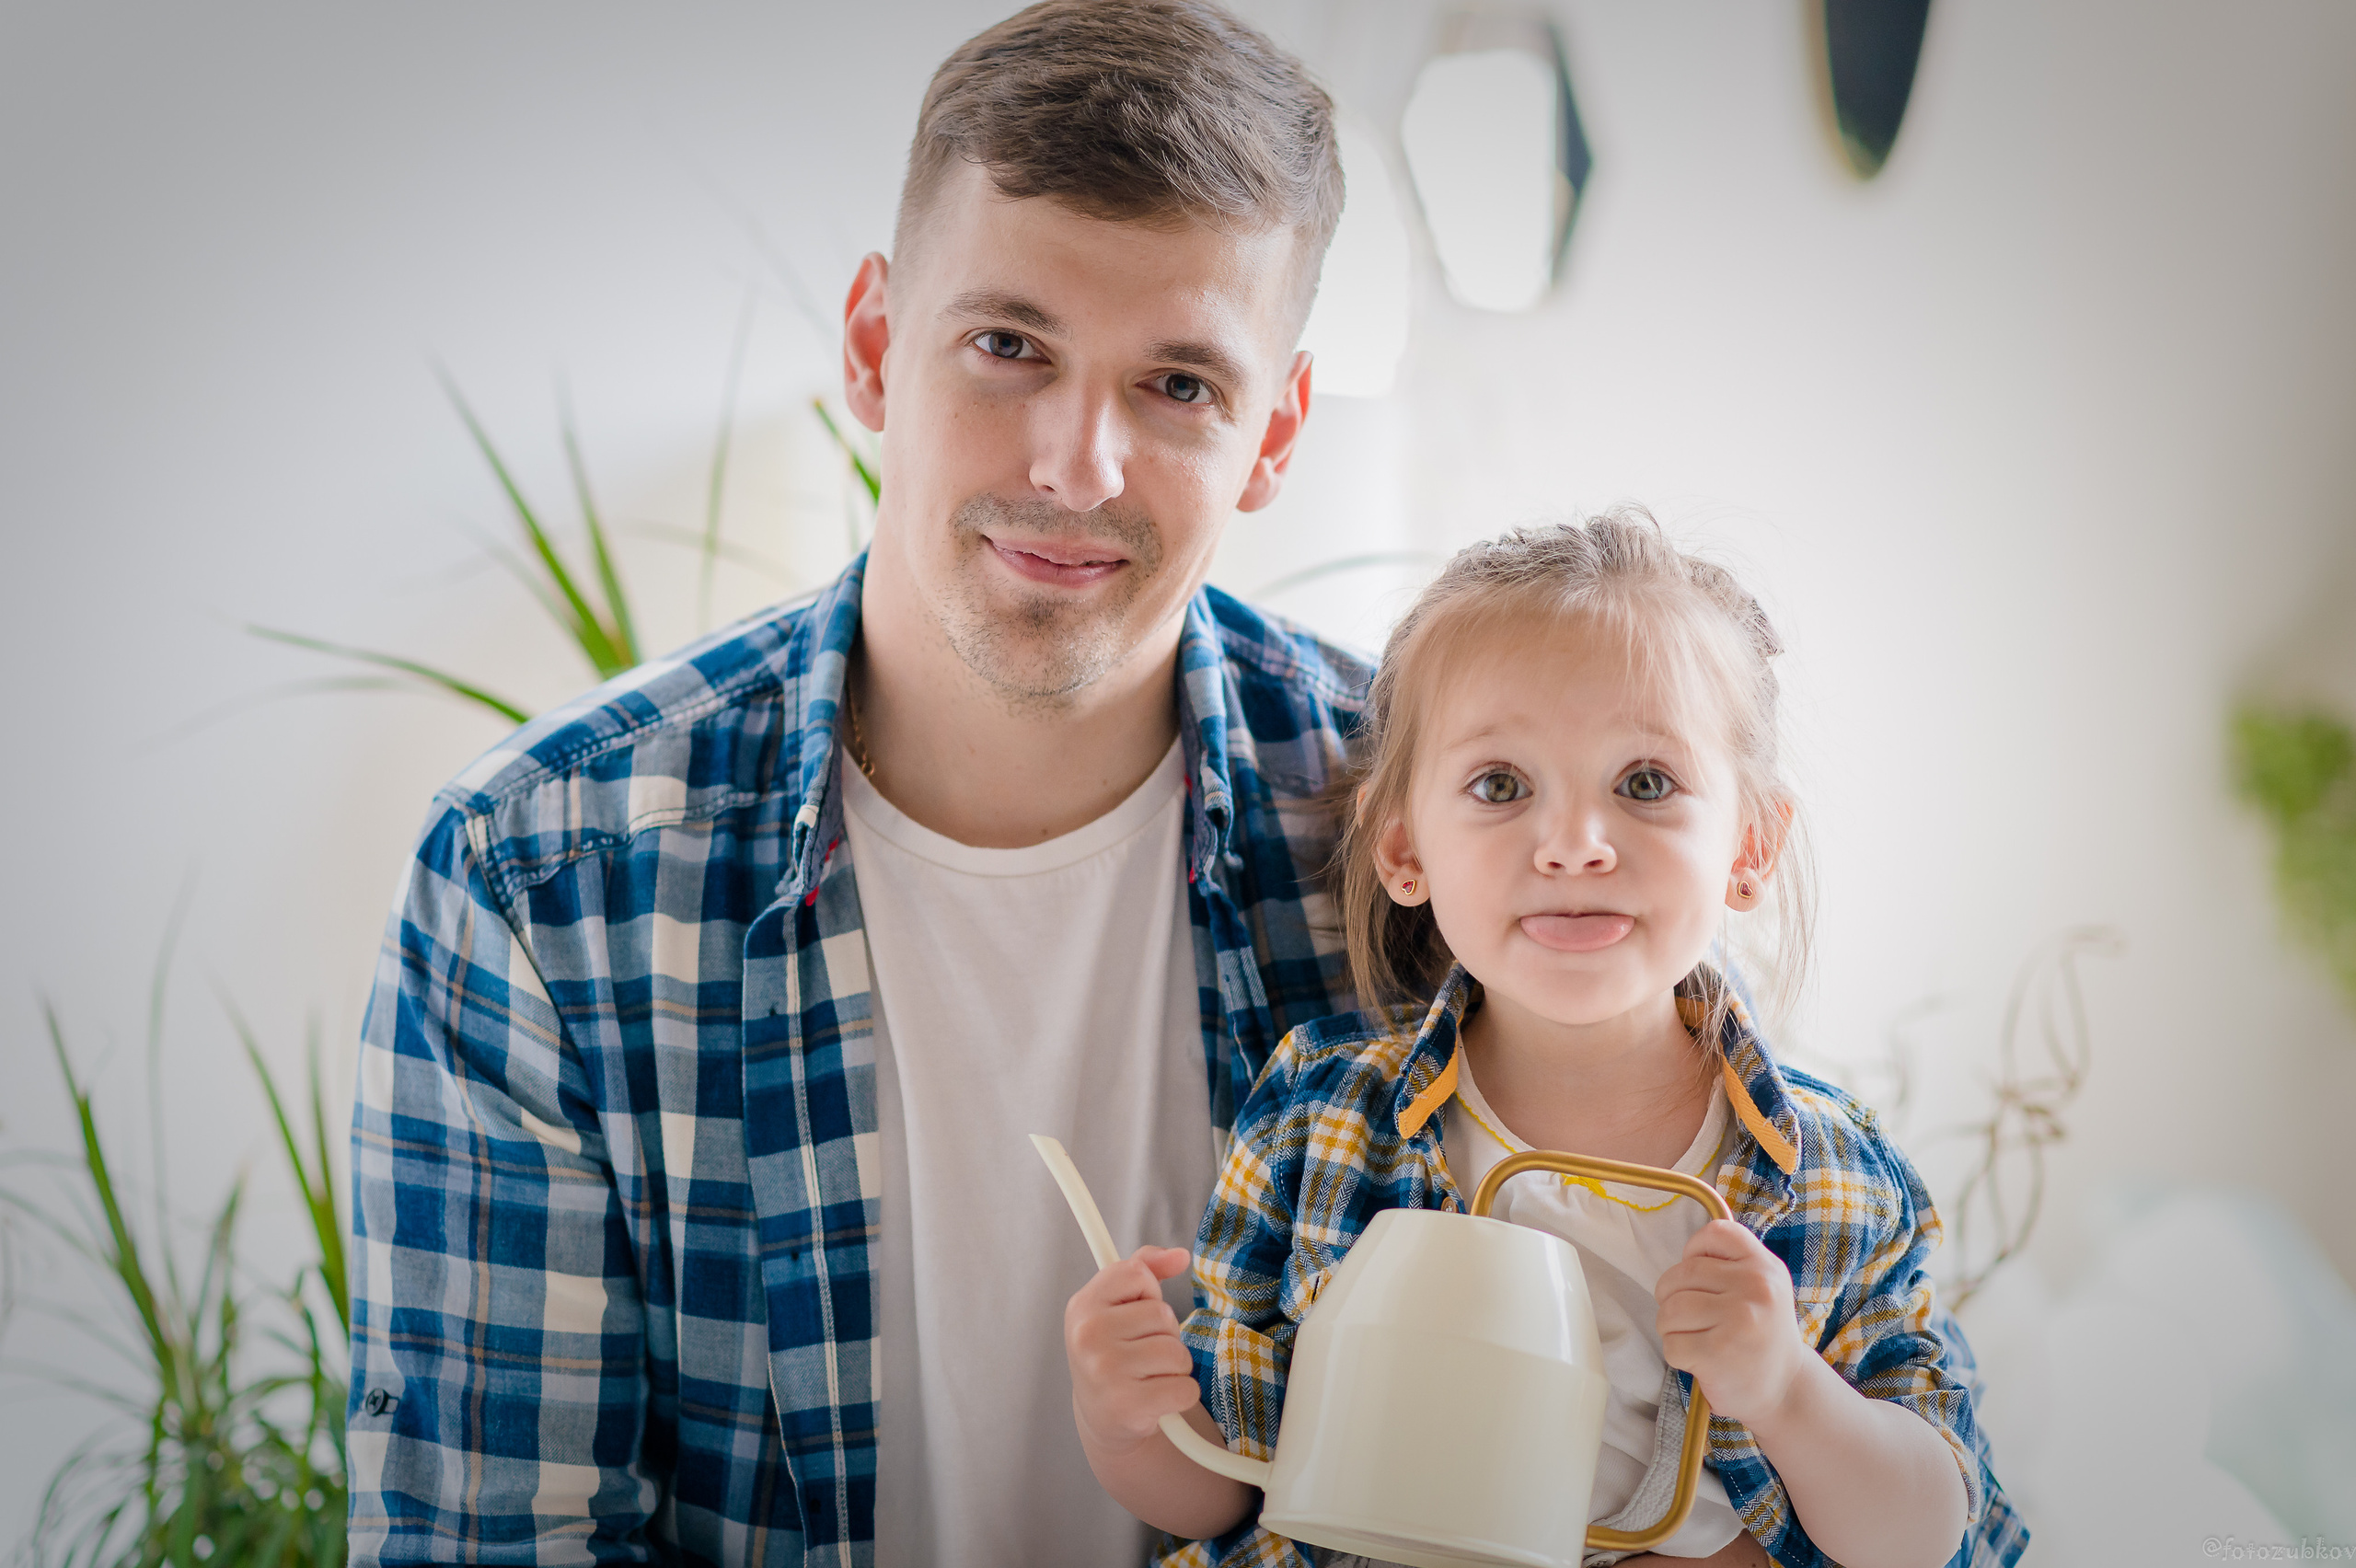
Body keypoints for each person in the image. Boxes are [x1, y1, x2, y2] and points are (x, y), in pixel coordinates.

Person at [344, 4, 1363, 1563]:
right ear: (878, 345)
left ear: (1275, 430)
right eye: (1008, 343)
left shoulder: (1424, 831)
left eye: (1177, 384)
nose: (1077, 460)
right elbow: (497, 1537)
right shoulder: (541, 874)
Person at [1063, 514, 2028, 1568]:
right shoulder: (1320, 1119)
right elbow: (1221, 1490)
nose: (1573, 845)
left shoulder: (1834, 1174)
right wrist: (1125, 1416)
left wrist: (1790, 1388)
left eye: (1645, 784)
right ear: (1403, 848)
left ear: (1748, 849)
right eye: (1501, 786)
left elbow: (1928, 1534)